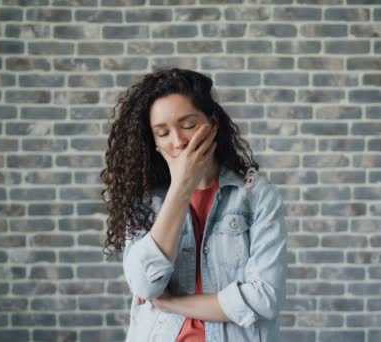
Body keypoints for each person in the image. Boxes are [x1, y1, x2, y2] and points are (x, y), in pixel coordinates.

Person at [100, 67, 287, 341]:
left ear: (212, 123)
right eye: (163, 133)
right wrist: (181, 187)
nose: (178, 141)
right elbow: (144, 285)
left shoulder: (257, 197)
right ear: (153, 142)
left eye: (188, 125)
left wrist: (172, 303)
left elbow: (265, 298)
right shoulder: (146, 200)